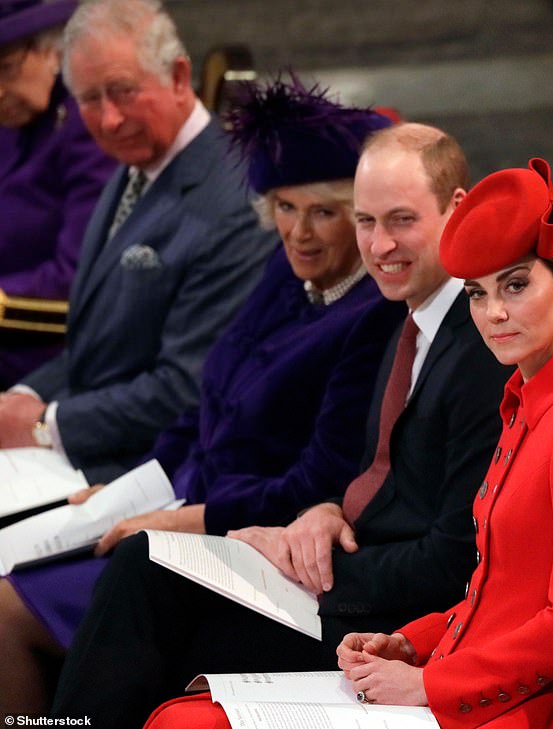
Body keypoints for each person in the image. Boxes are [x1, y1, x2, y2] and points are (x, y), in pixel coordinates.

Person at [51, 122, 512, 728]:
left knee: (154, 604)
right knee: (145, 568)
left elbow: (455, 560)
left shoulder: (482, 344)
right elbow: (373, 473)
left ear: (456, 209)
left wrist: (308, 566)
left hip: (390, 627)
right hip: (344, 576)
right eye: (366, 222)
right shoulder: (409, 318)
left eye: (401, 220)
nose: (378, 246)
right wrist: (325, 510)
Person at [0, 74, 405, 715]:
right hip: (177, 503)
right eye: (284, 207)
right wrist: (131, 489)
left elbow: (314, 483)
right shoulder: (287, 269)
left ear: (358, 219)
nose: (298, 232)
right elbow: (206, 403)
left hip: (248, 547)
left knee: (4, 615)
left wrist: (175, 520)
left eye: (323, 212)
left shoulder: (371, 314)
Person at [337, 159, 553, 728]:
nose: (493, 313)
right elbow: (495, 594)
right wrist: (409, 642)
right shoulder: (528, 398)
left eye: (516, 285)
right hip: (477, 682)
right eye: (477, 293)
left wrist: (429, 683)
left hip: (527, 708)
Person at [0, 0, 276, 482]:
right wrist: (23, 398)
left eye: (124, 92)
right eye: (89, 99)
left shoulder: (232, 200)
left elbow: (188, 388)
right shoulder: (138, 163)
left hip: (158, 474)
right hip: (85, 453)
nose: (108, 119)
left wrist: (47, 426)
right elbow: (96, 348)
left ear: (177, 76)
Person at [0, 0, 115, 388]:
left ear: (51, 50)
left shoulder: (88, 124)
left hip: (41, 358)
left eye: (5, 68)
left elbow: (77, 276)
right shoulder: (10, 114)